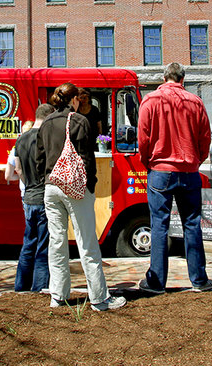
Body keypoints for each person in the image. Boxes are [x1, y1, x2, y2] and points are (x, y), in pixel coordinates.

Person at [35, 82, 127, 311]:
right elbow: (87, 160)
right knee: (87, 243)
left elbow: (39, 159)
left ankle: (58, 296)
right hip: (75, 188)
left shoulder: (46, 122)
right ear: (74, 100)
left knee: (56, 243)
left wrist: (47, 180)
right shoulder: (79, 121)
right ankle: (99, 298)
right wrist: (91, 186)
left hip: (51, 187)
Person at [137, 62, 212, 294]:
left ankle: (157, 282)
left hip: (160, 170)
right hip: (189, 170)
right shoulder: (196, 102)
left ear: (164, 78)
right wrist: (195, 161)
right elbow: (205, 139)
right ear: (183, 79)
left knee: (159, 225)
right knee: (192, 225)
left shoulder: (150, 101)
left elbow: (143, 138)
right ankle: (199, 280)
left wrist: (148, 162)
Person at [11, 104, 54, 292]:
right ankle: (39, 289)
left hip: (28, 198)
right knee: (43, 248)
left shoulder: (20, 141)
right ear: (47, 117)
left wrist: (28, 183)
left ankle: (20, 287)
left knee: (28, 244)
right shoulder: (46, 139)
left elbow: (18, 169)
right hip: (44, 197)